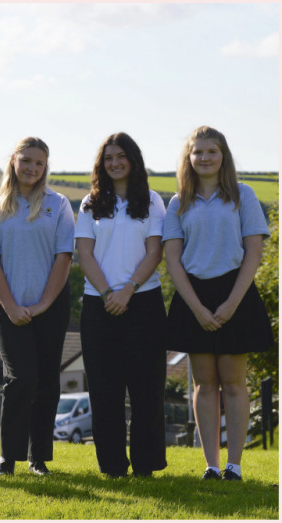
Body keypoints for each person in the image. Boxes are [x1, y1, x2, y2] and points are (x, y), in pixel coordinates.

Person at [163, 126, 272, 481]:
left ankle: (234, 466)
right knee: (204, 384)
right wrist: (197, 308)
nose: (205, 158)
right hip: (193, 296)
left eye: (212, 151)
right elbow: (173, 261)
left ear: (223, 156)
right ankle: (210, 465)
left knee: (235, 383)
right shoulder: (179, 201)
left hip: (235, 292)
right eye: (198, 152)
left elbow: (254, 252)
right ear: (189, 158)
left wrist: (230, 304)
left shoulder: (243, 194)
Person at [0, 137, 74, 476]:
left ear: (46, 168)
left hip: (52, 304)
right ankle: (8, 456)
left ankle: (38, 458)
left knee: (47, 381)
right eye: (26, 161)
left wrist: (45, 303)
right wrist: (12, 306)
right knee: (21, 378)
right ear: (14, 162)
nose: (32, 168)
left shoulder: (59, 205)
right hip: (7, 305)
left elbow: (65, 257)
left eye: (39, 163)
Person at [75, 132, 167, 478]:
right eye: (108, 158)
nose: (114, 163)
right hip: (99, 305)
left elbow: (155, 251)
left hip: (143, 302)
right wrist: (107, 293)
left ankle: (146, 466)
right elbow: (84, 253)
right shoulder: (89, 202)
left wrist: (127, 290)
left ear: (133, 160)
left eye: (120, 156)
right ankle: (112, 467)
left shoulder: (154, 201)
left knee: (147, 389)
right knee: (104, 391)